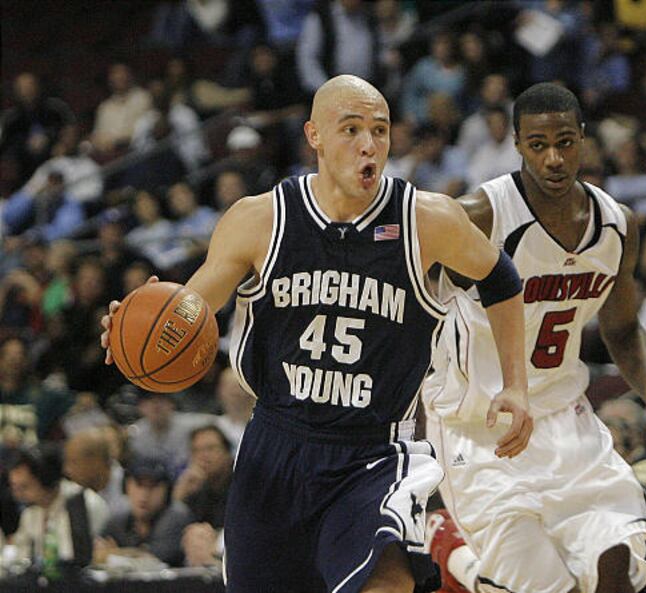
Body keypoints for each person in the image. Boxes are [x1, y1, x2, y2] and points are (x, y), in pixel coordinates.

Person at [100, 74, 530, 593]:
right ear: (314, 136)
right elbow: (190, 313)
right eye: (351, 129)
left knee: (388, 583)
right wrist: (140, 324)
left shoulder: (427, 220)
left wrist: (516, 384)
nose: (369, 144)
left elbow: (501, 278)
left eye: (380, 130)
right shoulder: (260, 219)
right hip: (275, 448)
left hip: (373, 452)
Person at [423, 82, 646, 593]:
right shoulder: (483, 214)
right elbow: (407, 292)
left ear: (584, 140)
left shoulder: (616, 225)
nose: (553, 159)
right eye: (538, 145)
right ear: (518, 145)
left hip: (564, 419)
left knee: (614, 565)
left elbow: (622, 327)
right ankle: (453, 554)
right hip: (479, 427)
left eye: (565, 142)